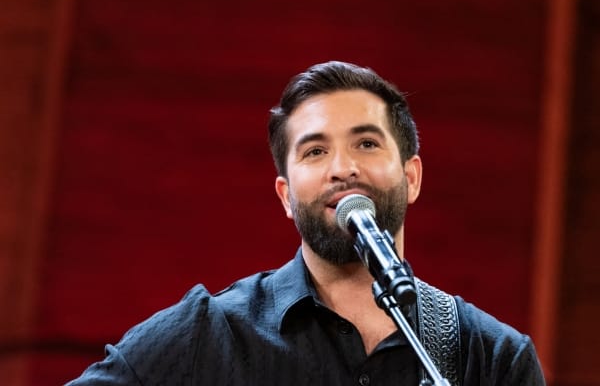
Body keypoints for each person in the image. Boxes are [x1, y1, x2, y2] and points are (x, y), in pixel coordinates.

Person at [66, 61, 546, 385]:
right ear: (286, 197)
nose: (343, 168)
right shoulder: (209, 335)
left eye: (366, 144)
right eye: (315, 151)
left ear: (411, 177)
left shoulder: (493, 358)